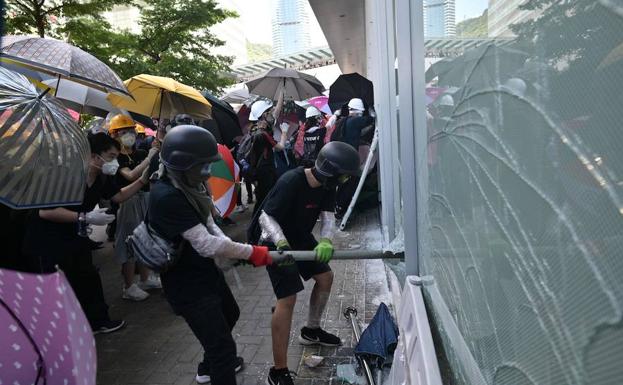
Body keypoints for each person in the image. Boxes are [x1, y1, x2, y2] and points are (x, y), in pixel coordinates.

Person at [149, 125, 274, 385]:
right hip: (186, 285)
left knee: (230, 313)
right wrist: (252, 252)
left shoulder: (192, 187)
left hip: (204, 272)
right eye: (202, 166)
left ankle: (208, 368)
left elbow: (208, 222)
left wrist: (229, 246)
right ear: (182, 165)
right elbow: (205, 243)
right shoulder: (167, 196)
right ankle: (215, 365)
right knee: (223, 350)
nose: (208, 171)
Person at [247, 142, 361, 385]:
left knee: (325, 277)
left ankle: (311, 330)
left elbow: (328, 216)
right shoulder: (291, 181)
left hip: (300, 236)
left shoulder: (328, 185)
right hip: (273, 240)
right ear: (330, 171)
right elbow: (267, 216)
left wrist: (327, 240)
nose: (344, 180)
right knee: (288, 297)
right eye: (343, 175)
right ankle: (277, 371)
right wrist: (281, 243)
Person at [23, 133, 152, 334]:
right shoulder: (66, 174)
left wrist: (143, 180)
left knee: (88, 275)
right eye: (110, 156)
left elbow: (118, 196)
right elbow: (46, 211)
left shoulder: (102, 177)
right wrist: (86, 217)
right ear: (93, 156)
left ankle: (97, 321)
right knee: (55, 285)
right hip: (47, 239)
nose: (114, 162)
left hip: (75, 235)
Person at [108, 114, 161, 301]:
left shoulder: (138, 153)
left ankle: (145, 279)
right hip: (128, 201)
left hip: (145, 198)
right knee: (129, 241)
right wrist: (149, 158)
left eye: (131, 130)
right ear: (114, 135)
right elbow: (130, 176)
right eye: (124, 132)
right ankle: (128, 285)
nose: (129, 134)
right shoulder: (115, 157)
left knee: (144, 239)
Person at [331, 98, 375, 219]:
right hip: (349, 159)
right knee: (351, 182)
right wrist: (371, 110)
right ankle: (341, 208)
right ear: (358, 111)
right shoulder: (355, 121)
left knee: (343, 182)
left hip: (340, 158)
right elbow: (370, 120)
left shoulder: (343, 121)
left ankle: (337, 206)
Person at [247, 97, 287, 213]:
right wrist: (284, 132)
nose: (272, 112)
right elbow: (280, 147)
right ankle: (257, 226)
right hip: (264, 170)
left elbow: (276, 113)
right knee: (263, 199)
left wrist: (282, 91)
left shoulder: (254, 129)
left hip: (259, 169)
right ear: (264, 114)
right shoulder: (262, 134)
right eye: (269, 111)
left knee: (263, 196)